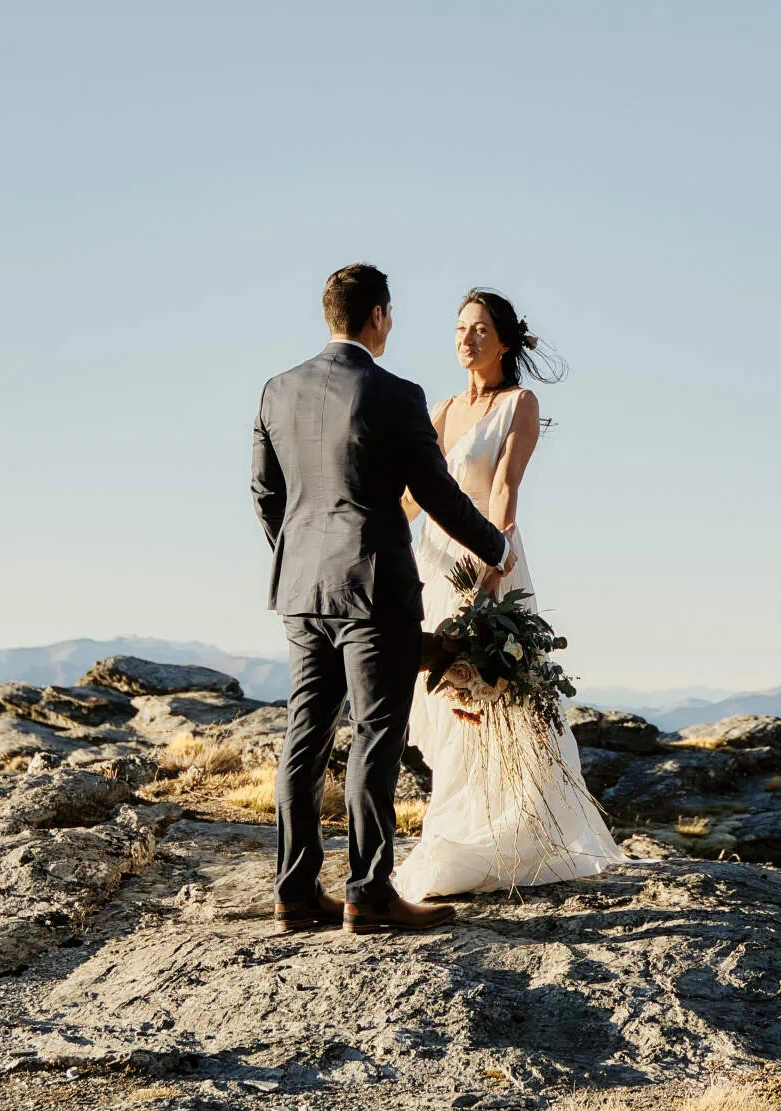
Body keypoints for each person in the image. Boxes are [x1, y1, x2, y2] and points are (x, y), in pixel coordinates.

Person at [250, 263, 514, 934]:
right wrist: (495, 546)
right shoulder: (396, 393)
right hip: (373, 587)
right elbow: (436, 492)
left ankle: (295, 892)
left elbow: (265, 493)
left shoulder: (276, 391)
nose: (390, 324)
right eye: (389, 315)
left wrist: (300, 550)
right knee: (376, 734)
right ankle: (369, 892)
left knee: (304, 736)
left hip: (302, 590)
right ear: (375, 317)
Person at [395, 289, 624, 900]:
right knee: (447, 697)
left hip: (485, 561)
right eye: (460, 328)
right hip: (431, 565)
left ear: (504, 340)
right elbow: (415, 496)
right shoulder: (441, 409)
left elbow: (504, 488)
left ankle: (517, 828)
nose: (466, 339)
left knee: (498, 690)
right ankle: (455, 824)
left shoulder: (519, 402)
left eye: (479, 329)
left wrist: (489, 571)